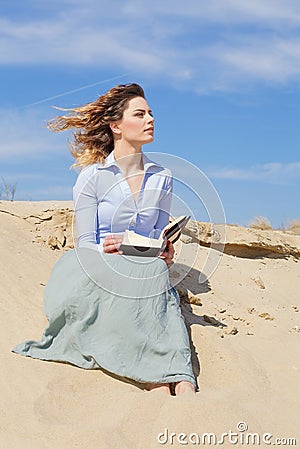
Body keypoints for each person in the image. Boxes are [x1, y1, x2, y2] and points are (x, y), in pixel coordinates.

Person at [13, 83, 196, 395]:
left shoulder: (162, 176)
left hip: (142, 266)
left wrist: (165, 250)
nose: (150, 119)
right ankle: (155, 376)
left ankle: (180, 375)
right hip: (96, 266)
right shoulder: (91, 176)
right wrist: (105, 247)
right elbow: (84, 244)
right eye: (140, 114)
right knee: (140, 276)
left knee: (154, 271)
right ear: (116, 125)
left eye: (151, 113)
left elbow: (156, 234)